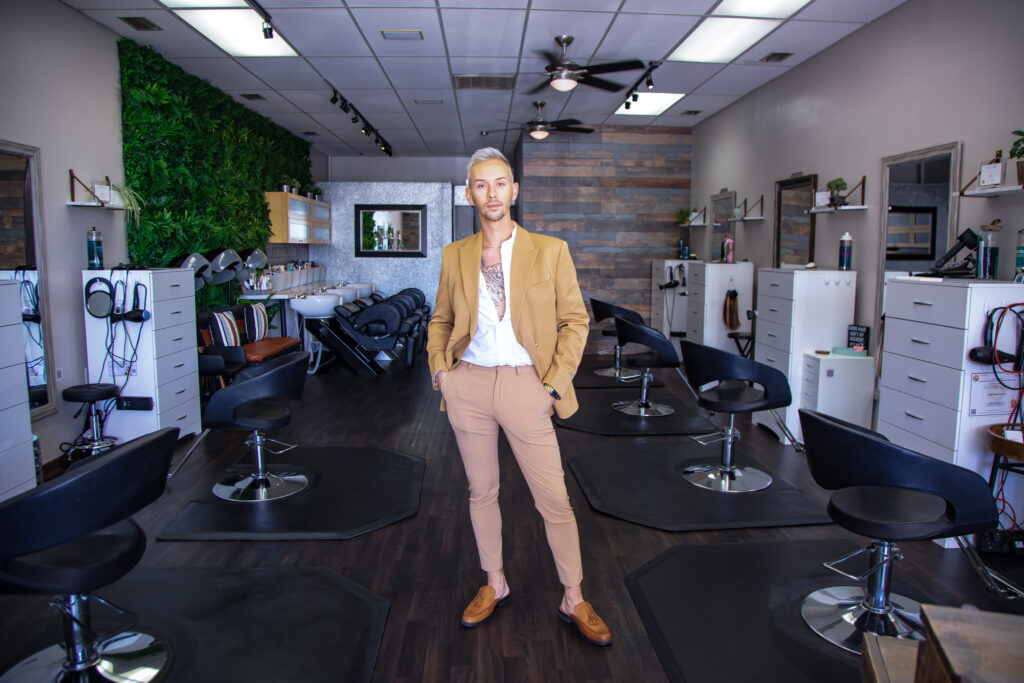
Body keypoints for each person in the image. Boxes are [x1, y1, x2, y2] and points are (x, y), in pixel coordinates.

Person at [426, 147, 611, 647]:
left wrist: (553, 385)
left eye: (500, 183)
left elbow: (575, 321)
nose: (492, 193)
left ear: (514, 190)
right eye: (481, 185)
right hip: (470, 384)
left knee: (553, 499)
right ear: (469, 195)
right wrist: (442, 371)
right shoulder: (454, 255)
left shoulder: (550, 250)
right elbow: (441, 320)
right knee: (481, 491)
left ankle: (573, 597)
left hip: (529, 386)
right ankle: (495, 583)